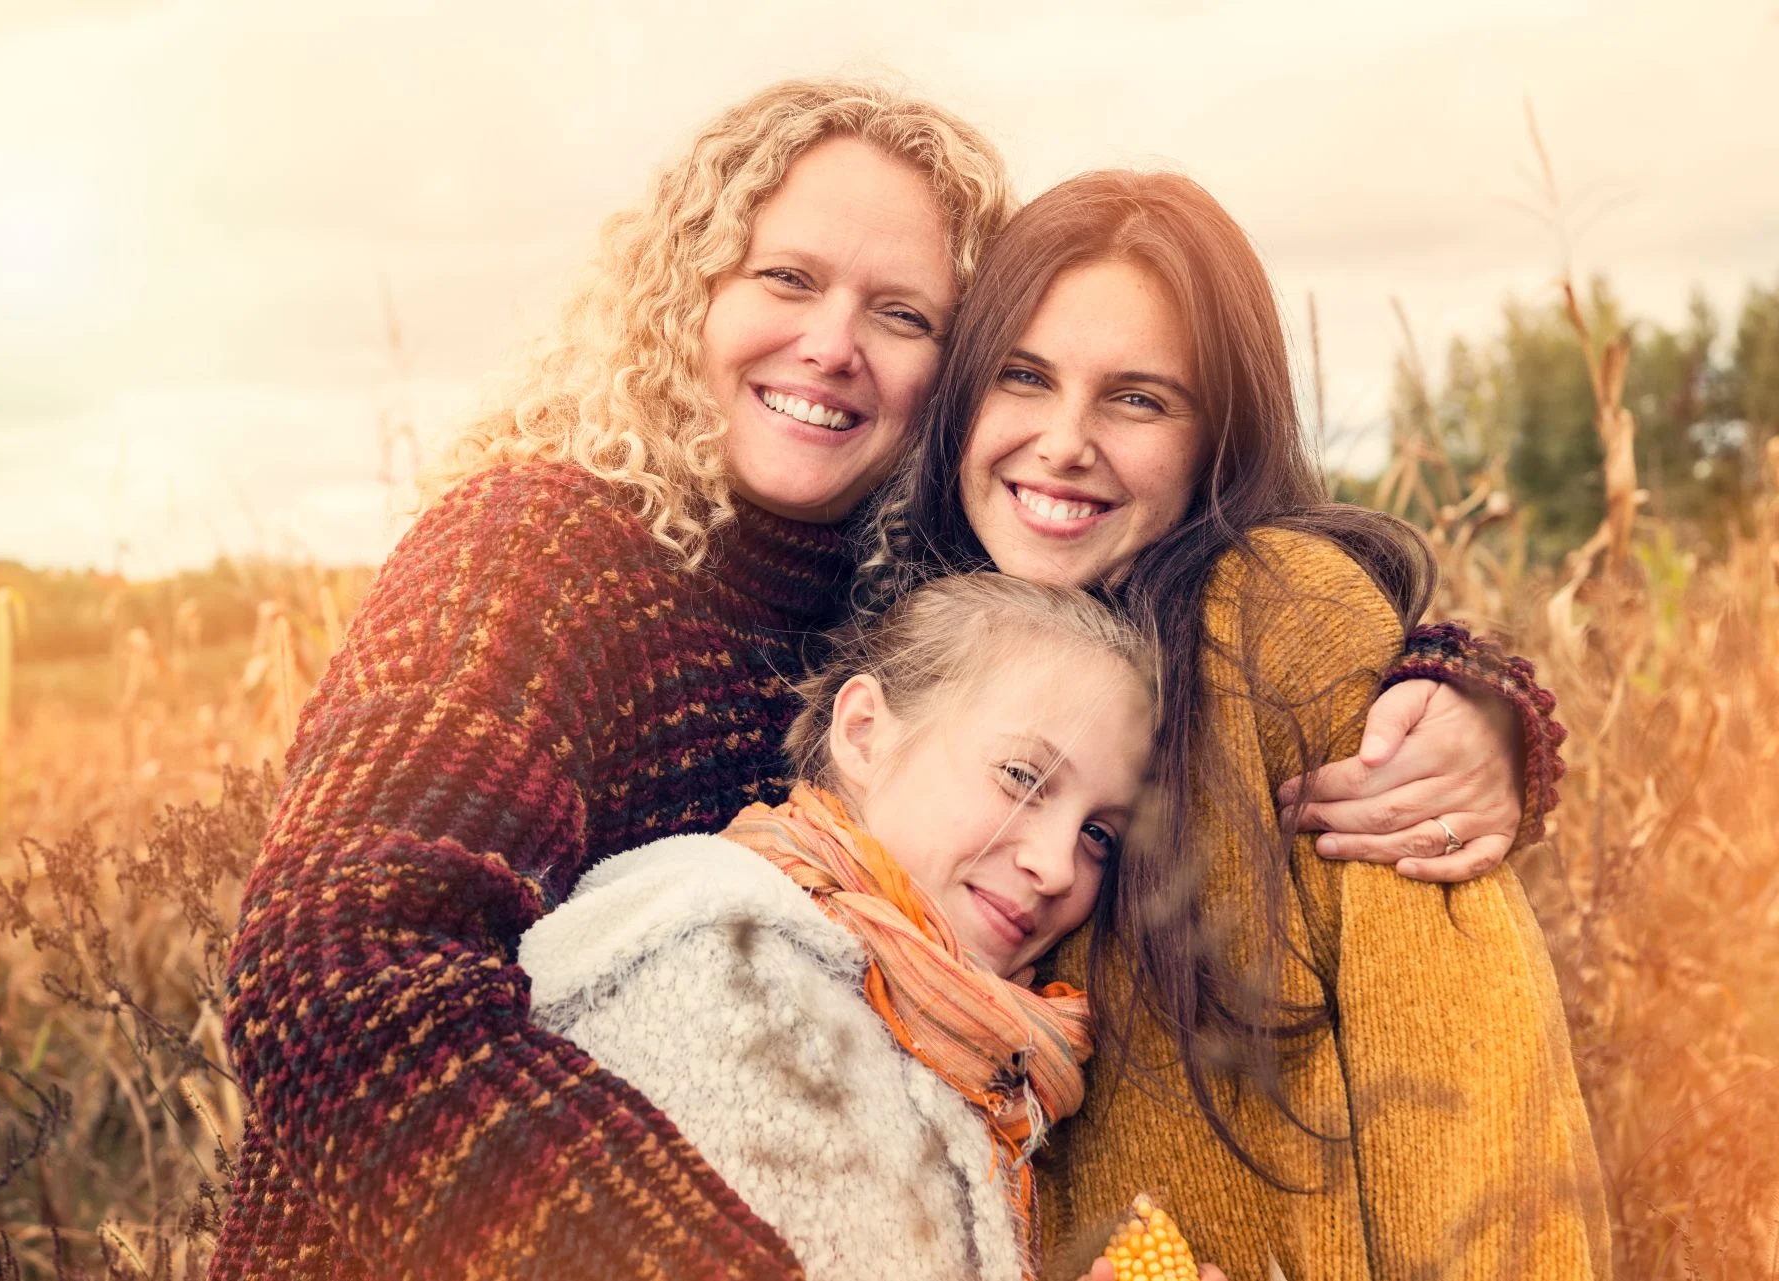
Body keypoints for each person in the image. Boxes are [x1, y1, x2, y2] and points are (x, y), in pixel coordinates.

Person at [208, 80, 1560, 1280]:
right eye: (785, 280)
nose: (833, 345)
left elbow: (1187, 615)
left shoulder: (916, 599)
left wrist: (1463, 695)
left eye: (901, 312)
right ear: (689, 293)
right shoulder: (535, 555)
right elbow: (338, 977)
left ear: (949, 375)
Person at [861, 169, 1607, 1279]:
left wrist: (1482, 707)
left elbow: (1465, 1067)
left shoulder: (1273, 625)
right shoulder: (920, 636)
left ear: (1221, 434)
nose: (1065, 441)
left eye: (1138, 398)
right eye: (1025, 377)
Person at [519, 572, 1207, 1281]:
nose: (1058, 867)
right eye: (1021, 777)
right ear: (865, 734)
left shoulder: (958, 1046)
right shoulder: (720, 971)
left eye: (1098, 832)